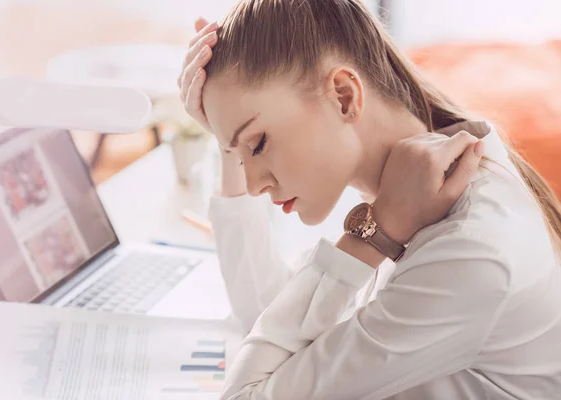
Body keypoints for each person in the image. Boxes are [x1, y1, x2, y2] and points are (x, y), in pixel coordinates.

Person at [177, 1, 561, 399]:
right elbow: (270, 318)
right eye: (238, 155)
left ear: (343, 96)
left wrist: (374, 233)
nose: (253, 184)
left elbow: (246, 392)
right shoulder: (398, 184)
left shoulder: (468, 249)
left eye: (257, 144)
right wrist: (228, 138)